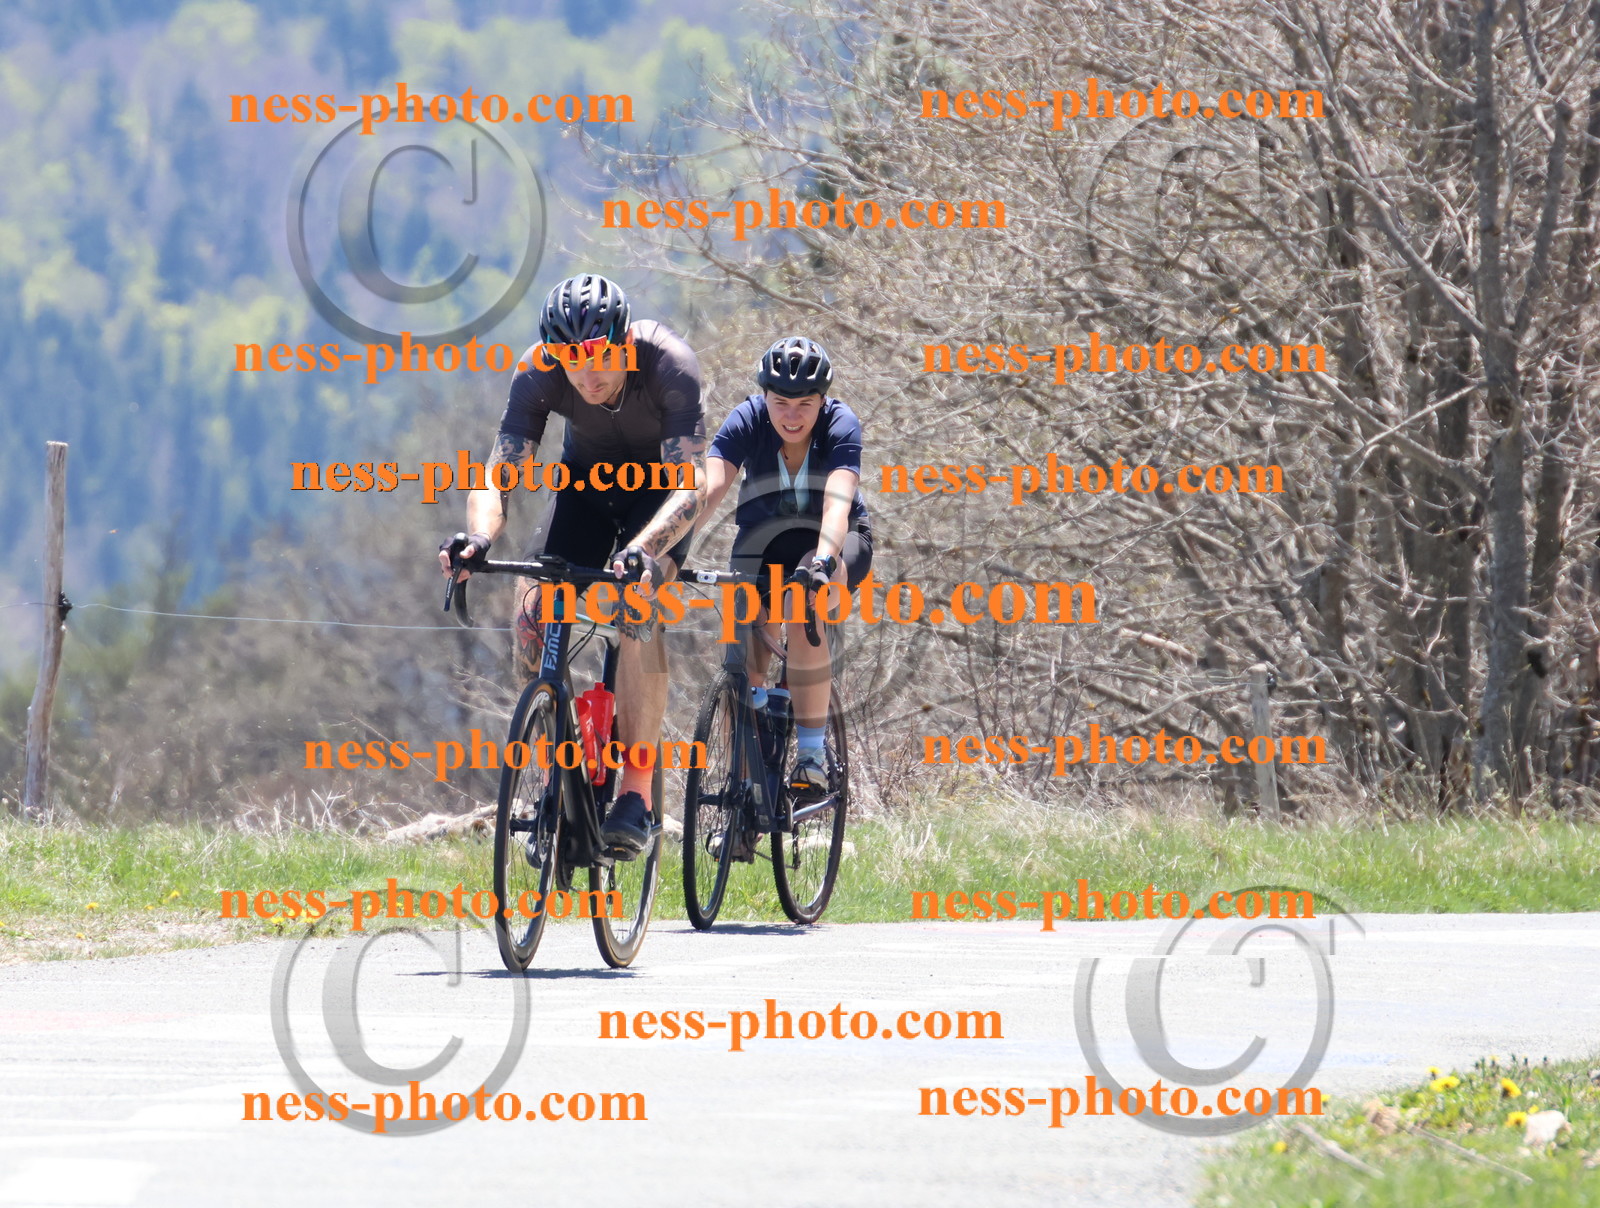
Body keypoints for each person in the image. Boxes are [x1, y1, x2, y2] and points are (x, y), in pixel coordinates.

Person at [439, 274, 705, 856]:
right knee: (533, 608)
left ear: (625, 342)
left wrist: (643, 550)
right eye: (571, 362)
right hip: (584, 491)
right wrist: (479, 539)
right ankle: (557, 778)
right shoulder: (538, 370)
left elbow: (691, 490)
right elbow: (497, 474)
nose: (586, 376)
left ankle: (635, 793)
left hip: (659, 502)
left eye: (600, 358)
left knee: (639, 608)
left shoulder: (669, 365)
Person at [697, 336, 872, 796]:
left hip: (835, 539)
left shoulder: (841, 424)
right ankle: (747, 792)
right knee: (743, 656)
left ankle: (812, 755)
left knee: (802, 603)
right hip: (761, 543)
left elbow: (837, 505)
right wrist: (669, 544)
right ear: (764, 397)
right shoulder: (747, 420)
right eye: (781, 403)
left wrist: (821, 561)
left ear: (822, 401)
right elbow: (709, 489)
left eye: (804, 404)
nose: (791, 416)